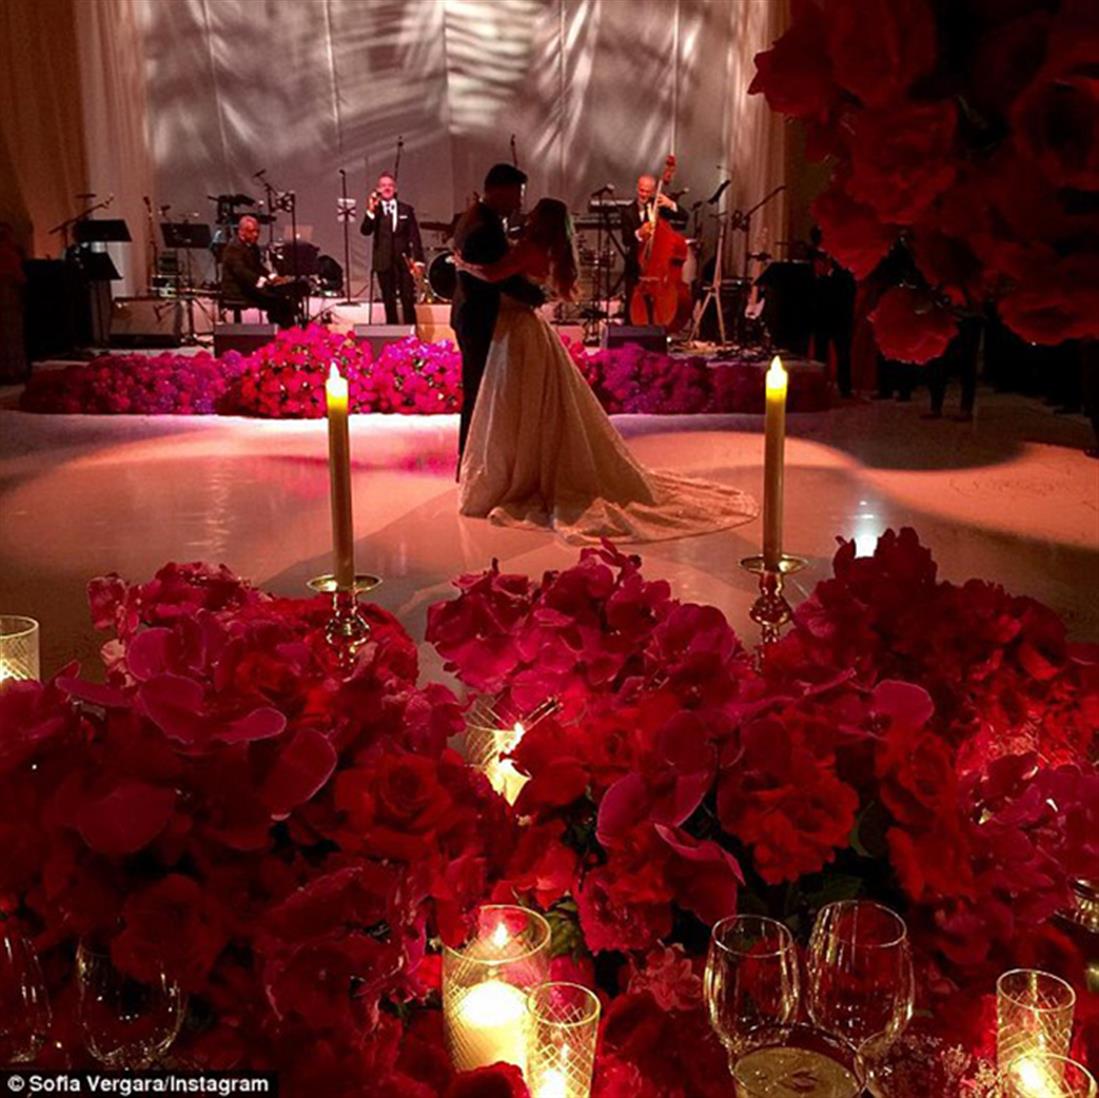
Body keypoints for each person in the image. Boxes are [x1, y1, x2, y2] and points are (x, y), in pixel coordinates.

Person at [454, 198, 758, 544]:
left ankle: (518, 473)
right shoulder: (547, 250)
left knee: (515, 404)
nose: (529, 214)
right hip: (527, 330)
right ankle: (529, 467)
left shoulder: (527, 248)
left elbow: (494, 274)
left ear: (541, 221)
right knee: (537, 405)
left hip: (516, 333)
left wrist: (463, 264)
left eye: (535, 212)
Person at [451, 162, 545, 462]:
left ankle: (474, 458)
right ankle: (472, 459)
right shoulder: (485, 226)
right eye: (517, 194)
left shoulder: (476, 217)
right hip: (479, 316)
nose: (519, 202)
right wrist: (536, 296)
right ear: (500, 190)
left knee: (478, 390)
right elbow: (499, 277)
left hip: (471, 312)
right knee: (479, 392)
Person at [619, 174, 687, 321]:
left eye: (647, 191)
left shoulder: (659, 208)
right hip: (636, 267)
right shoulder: (627, 211)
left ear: (654, 191)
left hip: (658, 270)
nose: (644, 194)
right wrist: (639, 233)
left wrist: (671, 204)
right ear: (637, 188)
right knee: (632, 310)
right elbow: (626, 240)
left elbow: (684, 217)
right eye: (641, 190)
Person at [360, 172, 425, 325]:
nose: (387, 188)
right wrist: (370, 211)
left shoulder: (406, 209)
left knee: (407, 298)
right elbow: (365, 231)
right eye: (383, 186)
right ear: (378, 190)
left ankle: (411, 333)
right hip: (383, 261)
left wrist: (418, 260)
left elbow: (414, 236)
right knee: (389, 300)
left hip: (403, 261)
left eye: (390, 185)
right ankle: (393, 332)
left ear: (395, 189)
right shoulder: (376, 211)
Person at [220, 216, 299, 328]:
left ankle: (288, 330)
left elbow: (258, 267)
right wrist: (263, 281)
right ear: (241, 232)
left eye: (257, 231)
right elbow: (241, 272)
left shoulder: (253, 247)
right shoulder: (233, 248)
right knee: (276, 300)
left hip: (250, 287)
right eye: (252, 231)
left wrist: (272, 277)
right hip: (237, 290)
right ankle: (282, 330)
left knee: (283, 298)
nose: (256, 234)